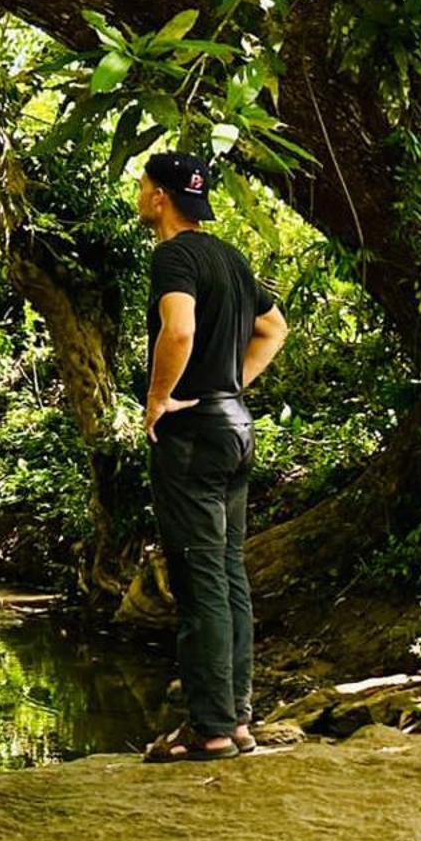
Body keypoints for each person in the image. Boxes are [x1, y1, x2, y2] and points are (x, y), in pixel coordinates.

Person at [136, 151, 287, 763]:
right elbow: (274, 328)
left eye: (144, 186)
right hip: (234, 425)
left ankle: (210, 729)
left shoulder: (174, 256)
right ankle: (237, 719)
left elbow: (178, 331)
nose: (141, 194)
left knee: (200, 579)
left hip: (194, 434)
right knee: (228, 573)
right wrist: (233, 383)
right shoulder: (229, 257)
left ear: (162, 198)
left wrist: (157, 399)